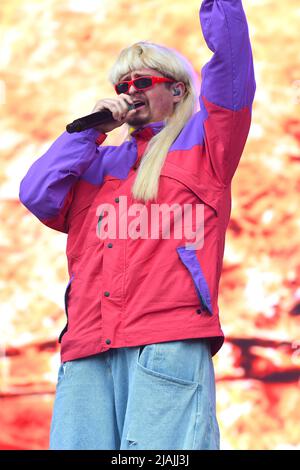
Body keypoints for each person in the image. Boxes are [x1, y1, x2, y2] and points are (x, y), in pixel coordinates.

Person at [19, 0, 255, 450]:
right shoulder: (95, 163)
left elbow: (232, 68)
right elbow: (37, 194)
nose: (130, 90)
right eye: (122, 83)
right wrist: (88, 130)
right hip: (88, 348)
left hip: (166, 344)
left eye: (142, 81)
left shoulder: (208, 148)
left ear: (180, 91)